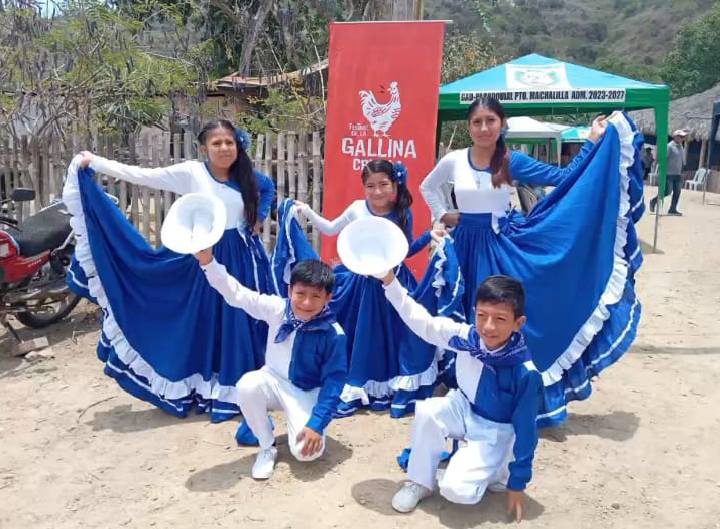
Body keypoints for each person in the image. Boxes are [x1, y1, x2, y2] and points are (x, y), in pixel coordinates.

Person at [419, 96, 645, 427]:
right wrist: (443, 216)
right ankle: (464, 387)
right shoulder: (454, 160)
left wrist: (592, 142)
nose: (484, 128)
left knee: (496, 316)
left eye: (490, 121)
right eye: (477, 122)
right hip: (463, 245)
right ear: (469, 127)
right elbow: (428, 187)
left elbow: (564, 177)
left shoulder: (512, 161)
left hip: (497, 247)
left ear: (501, 124)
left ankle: (500, 392)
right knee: (463, 314)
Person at [62, 120, 275, 421]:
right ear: (203, 148)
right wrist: (96, 162)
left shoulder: (246, 176)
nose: (224, 148)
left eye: (229, 142)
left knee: (237, 318)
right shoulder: (191, 173)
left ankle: (241, 384)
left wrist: (259, 216)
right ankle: (203, 384)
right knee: (202, 320)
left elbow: (267, 189)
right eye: (217, 143)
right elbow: (142, 175)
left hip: (241, 260)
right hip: (201, 257)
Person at [378, 270, 541, 521]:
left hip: (494, 430)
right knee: (428, 411)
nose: (488, 326)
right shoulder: (466, 337)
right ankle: (420, 481)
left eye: (500, 318)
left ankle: (497, 472)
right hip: (463, 406)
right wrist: (389, 281)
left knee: (457, 491)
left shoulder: (525, 373)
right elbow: (422, 322)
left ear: (518, 323)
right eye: (482, 315)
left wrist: (518, 481)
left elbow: (527, 429)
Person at [295, 160, 442, 417]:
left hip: (392, 282)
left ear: (394, 185)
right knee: (360, 337)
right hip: (361, 285)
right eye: (370, 186)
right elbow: (330, 228)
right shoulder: (356, 209)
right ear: (363, 187)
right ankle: (355, 387)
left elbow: (404, 250)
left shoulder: (402, 212)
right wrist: (306, 211)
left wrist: (429, 236)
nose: (377, 191)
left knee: (395, 336)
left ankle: (390, 386)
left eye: (383, 184)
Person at [195, 253, 346, 479]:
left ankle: (301, 425)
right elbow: (237, 294)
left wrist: (316, 424)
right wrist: (208, 262)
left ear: (328, 297)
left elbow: (334, 382)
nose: (306, 303)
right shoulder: (277, 308)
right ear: (290, 290)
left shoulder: (334, 334)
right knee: (247, 385)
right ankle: (267, 446)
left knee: (306, 454)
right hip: (273, 380)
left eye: (316, 296)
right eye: (300, 293)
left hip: (306, 392)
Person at [649, 130, 687, 215]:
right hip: (668, 173)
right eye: (680, 137)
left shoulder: (681, 147)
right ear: (675, 137)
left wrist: (682, 170)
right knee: (667, 191)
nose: (682, 138)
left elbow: (682, 160)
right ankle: (654, 201)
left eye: (683, 137)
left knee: (677, 192)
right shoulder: (669, 146)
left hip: (678, 173)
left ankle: (673, 209)